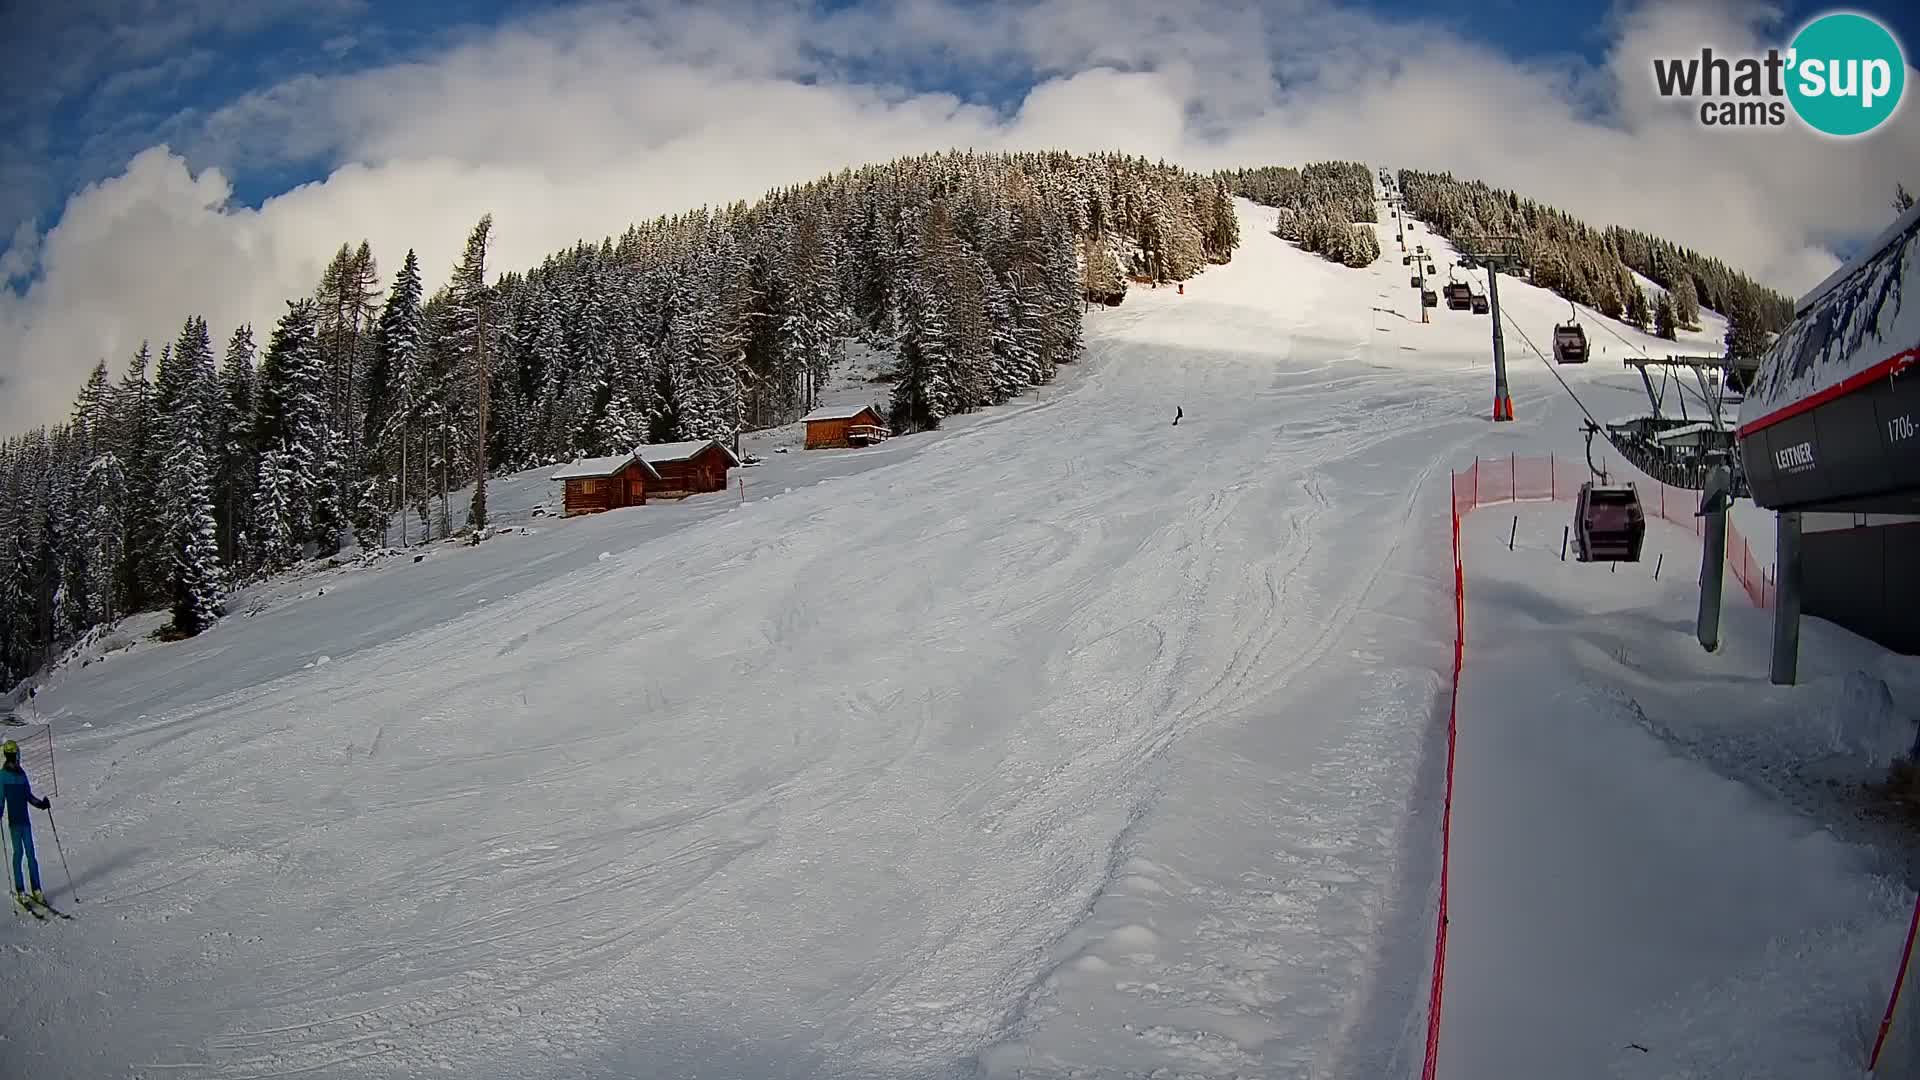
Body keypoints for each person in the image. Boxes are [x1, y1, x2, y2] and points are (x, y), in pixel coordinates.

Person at [2, 739, 51, 907]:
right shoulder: (2, 777)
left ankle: (36, 889)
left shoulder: (22, 774)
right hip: (15, 823)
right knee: (18, 855)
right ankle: (20, 890)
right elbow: (1, 801)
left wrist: (41, 804)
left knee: (31, 855)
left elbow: (28, 796)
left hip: (25, 822)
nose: (17, 757)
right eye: (15, 754)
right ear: (12, 755)